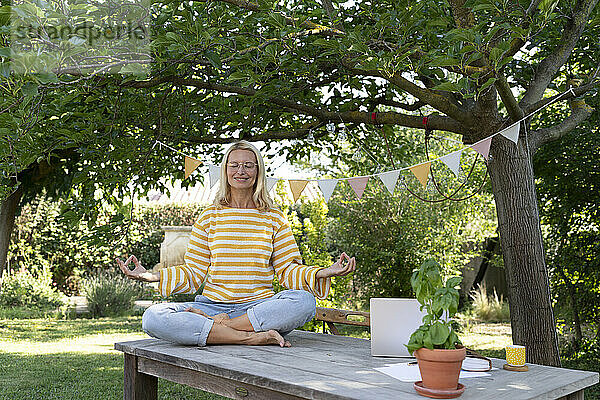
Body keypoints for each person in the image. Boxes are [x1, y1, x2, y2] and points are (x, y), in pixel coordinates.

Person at [116, 140, 356, 348]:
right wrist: (150, 276)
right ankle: (250, 339)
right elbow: (193, 272)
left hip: (258, 310)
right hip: (210, 306)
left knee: (304, 302)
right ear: (225, 170)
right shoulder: (209, 216)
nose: (241, 170)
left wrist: (324, 272)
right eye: (235, 165)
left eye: (248, 165)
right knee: (153, 317)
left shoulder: (274, 217)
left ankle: (224, 328)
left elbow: (287, 270)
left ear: (258, 171)